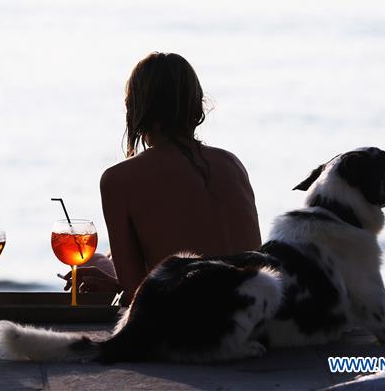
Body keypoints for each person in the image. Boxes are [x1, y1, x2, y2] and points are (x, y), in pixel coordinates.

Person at [69, 52, 262, 303]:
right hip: (254, 313)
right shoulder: (232, 164)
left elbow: (135, 296)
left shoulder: (119, 179)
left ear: (136, 108)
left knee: (96, 260)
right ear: (196, 105)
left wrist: (117, 286)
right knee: (106, 261)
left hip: (190, 326)